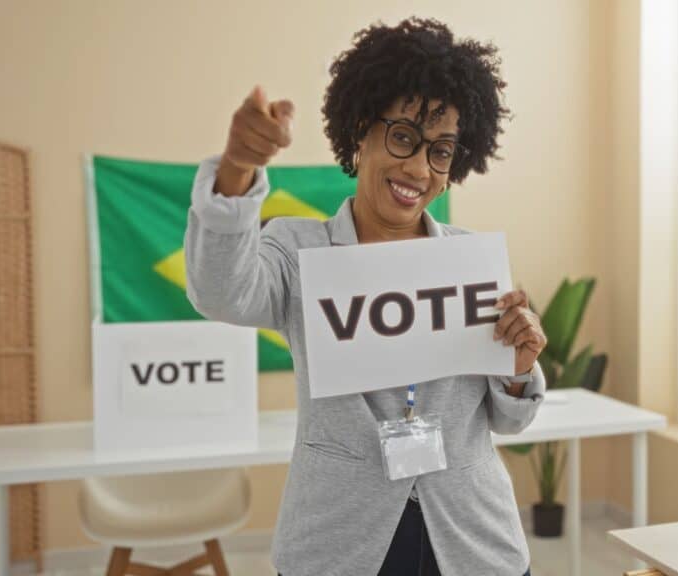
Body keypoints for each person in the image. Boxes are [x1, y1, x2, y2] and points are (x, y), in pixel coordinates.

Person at [185, 17, 547, 576]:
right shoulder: (298, 249)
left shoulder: (472, 260)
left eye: (442, 151)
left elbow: (510, 422)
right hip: (339, 539)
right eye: (403, 137)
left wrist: (519, 370)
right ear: (359, 129)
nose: (418, 168)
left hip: (473, 540)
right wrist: (237, 169)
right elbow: (220, 293)